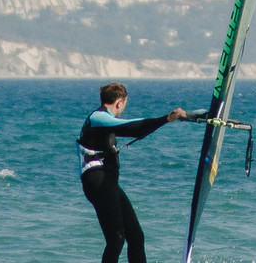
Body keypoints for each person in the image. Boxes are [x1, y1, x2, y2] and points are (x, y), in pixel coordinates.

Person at [78, 81, 189, 263]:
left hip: (107, 184)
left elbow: (137, 131)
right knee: (116, 239)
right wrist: (166, 118)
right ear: (119, 102)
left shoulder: (105, 122)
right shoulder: (98, 118)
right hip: (98, 183)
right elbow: (132, 127)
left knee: (136, 236)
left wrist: (163, 121)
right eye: (124, 105)